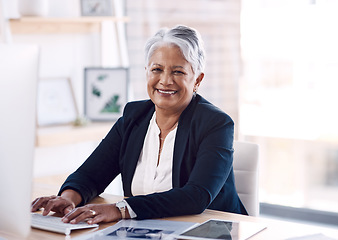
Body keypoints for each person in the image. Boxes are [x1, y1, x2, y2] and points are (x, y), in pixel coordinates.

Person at [31, 25, 248, 225]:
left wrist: (120, 209)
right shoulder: (134, 117)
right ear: (146, 71)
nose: (165, 80)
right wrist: (67, 199)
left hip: (209, 231)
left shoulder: (216, 124)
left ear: (197, 80)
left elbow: (196, 196)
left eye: (178, 71)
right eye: (157, 69)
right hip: (148, 230)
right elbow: (90, 174)